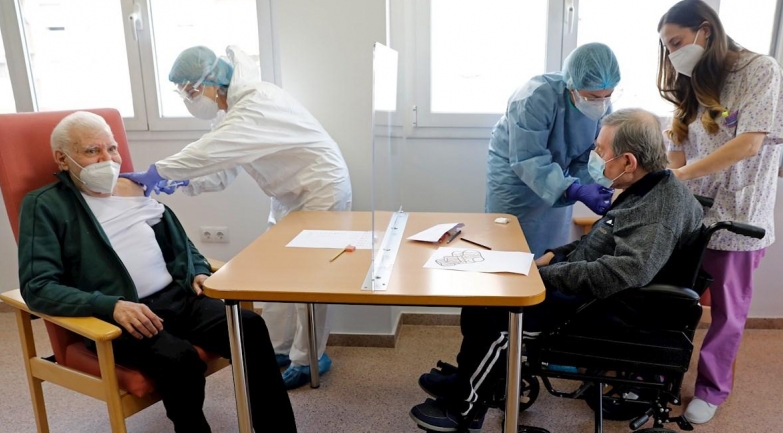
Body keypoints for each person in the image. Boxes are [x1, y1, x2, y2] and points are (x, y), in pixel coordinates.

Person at [410, 108, 704, 432]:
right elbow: (599, 242)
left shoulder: (657, 210)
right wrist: (554, 255)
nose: (594, 156)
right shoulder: (646, 189)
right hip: (585, 290)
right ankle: (466, 378)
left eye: (601, 151)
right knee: (481, 298)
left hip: (601, 308)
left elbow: (626, 272)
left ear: (629, 162)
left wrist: (545, 277)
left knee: (502, 318)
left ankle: (464, 409)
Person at [18, 112, 296, 433]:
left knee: (249, 327)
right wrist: (111, 306)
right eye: (92, 151)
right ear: (62, 159)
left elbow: (182, 245)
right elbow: (37, 287)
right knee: (180, 360)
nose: (107, 160)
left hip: (179, 298)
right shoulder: (46, 205)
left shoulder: (133, 190)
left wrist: (199, 271)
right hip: (121, 316)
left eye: (112, 149)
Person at [122, 45, 353, 389]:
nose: (190, 98)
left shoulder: (256, 105)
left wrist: (160, 171)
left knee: (310, 281)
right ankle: (277, 349)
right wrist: (182, 180)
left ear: (213, 81)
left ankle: (310, 358)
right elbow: (222, 169)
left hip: (320, 191)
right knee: (274, 275)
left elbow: (210, 151)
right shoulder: (231, 112)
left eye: (191, 90)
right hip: (289, 195)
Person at [657, 0, 783, 424]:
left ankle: (712, 390)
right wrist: (668, 173)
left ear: (705, 31)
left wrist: (682, 176)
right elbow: (680, 142)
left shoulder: (760, 72)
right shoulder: (694, 78)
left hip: (738, 217)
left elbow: (749, 142)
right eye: (667, 47)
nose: (673, 53)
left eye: (677, 42)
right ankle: (660, 372)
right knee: (673, 299)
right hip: (692, 218)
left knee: (728, 312)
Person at [485, 42, 621, 258]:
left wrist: (592, 181)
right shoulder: (532, 98)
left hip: (560, 178)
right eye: (593, 97)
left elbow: (589, 153)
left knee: (551, 249)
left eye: (608, 95)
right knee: (510, 250)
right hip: (516, 179)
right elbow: (528, 158)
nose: (601, 104)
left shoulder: (601, 106)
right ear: (572, 85)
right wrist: (573, 189)